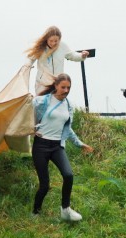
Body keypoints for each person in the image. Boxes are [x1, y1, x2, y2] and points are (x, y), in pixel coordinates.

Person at [32, 73, 93, 221]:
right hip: (41, 146)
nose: (66, 90)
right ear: (56, 86)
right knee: (45, 185)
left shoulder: (68, 105)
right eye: (63, 87)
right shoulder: (42, 101)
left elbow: (68, 128)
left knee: (68, 175)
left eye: (68, 87)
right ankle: (35, 212)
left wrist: (80, 143)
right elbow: (26, 113)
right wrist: (31, 128)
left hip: (57, 146)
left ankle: (65, 210)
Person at [25, 26, 89, 95]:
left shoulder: (62, 46)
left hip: (57, 82)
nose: (53, 43)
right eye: (51, 41)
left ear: (59, 39)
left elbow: (72, 55)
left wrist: (82, 56)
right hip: (42, 83)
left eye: (56, 41)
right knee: (42, 103)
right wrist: (27, 66)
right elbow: (30, 59)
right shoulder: (41, 47)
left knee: (56, 103)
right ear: (46, 39)